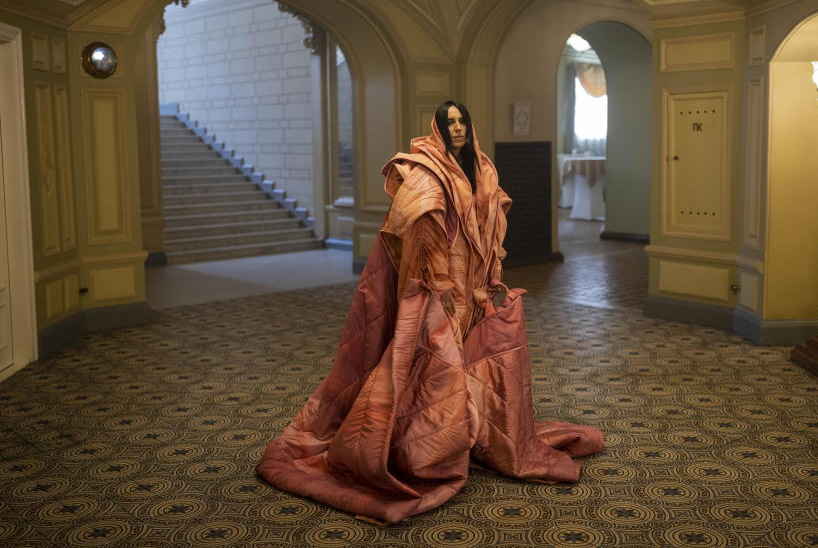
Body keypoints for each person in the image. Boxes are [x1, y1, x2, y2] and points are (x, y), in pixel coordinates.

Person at [257, 100, 604, 524]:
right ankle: (424, 448)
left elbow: (491, 217)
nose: (457, 128)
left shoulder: (482, 168)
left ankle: (466, 433)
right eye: (449, 122)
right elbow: (413, 220)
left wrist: (490, 272)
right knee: (436, 363)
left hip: (473, 281)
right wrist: (435, 277)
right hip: (440, 283)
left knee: (470, 357)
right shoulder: (425, 168)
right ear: (438, 127)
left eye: (462, 121)